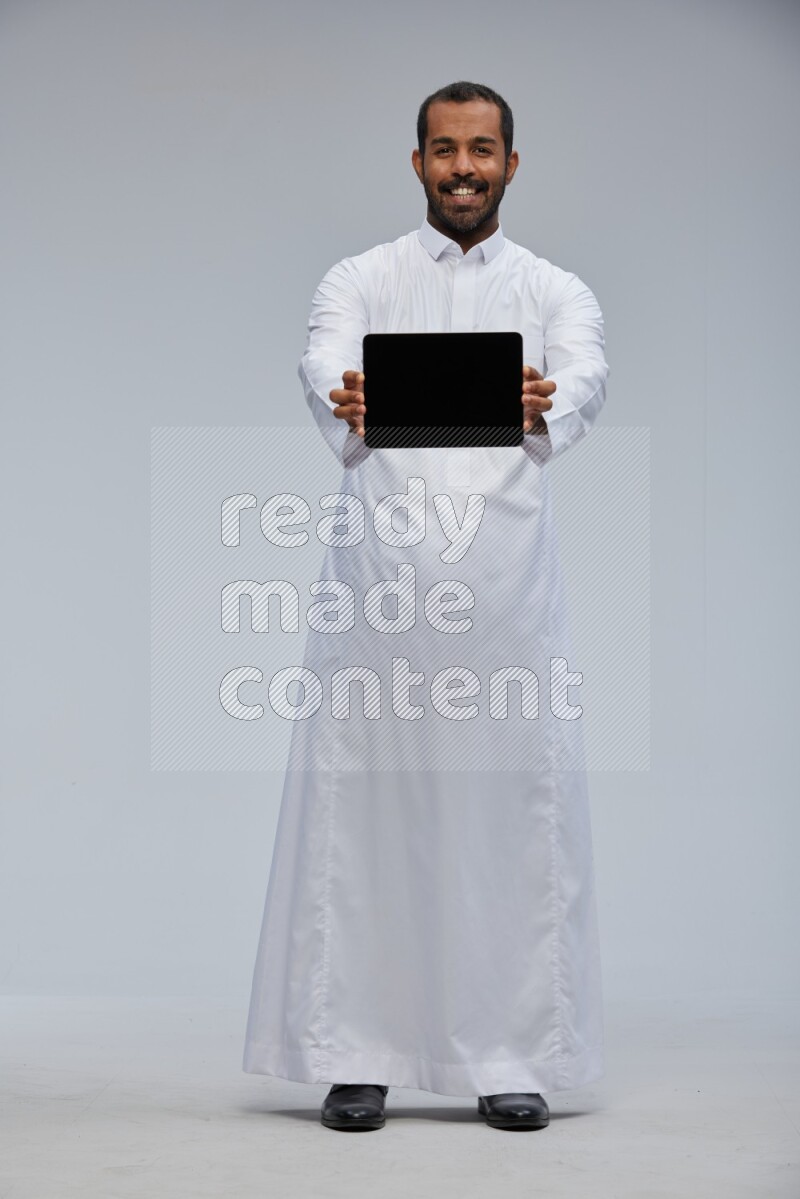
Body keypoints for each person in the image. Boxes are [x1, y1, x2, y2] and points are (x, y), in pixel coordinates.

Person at [243, 80, 609, 1133]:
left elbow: (583, 375)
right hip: (379, 600)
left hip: (505, 603)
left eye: (481, 150)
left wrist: (553, 397)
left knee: (505, 819)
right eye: (443, 150)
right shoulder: (359, 278)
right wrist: (341, 392)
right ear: (415, 163)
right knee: (365, 818)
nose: (462, 167)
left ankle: (509, 1054)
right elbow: (323, 357)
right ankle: (354, 1050)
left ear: (510, 163)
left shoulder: (553, 290)